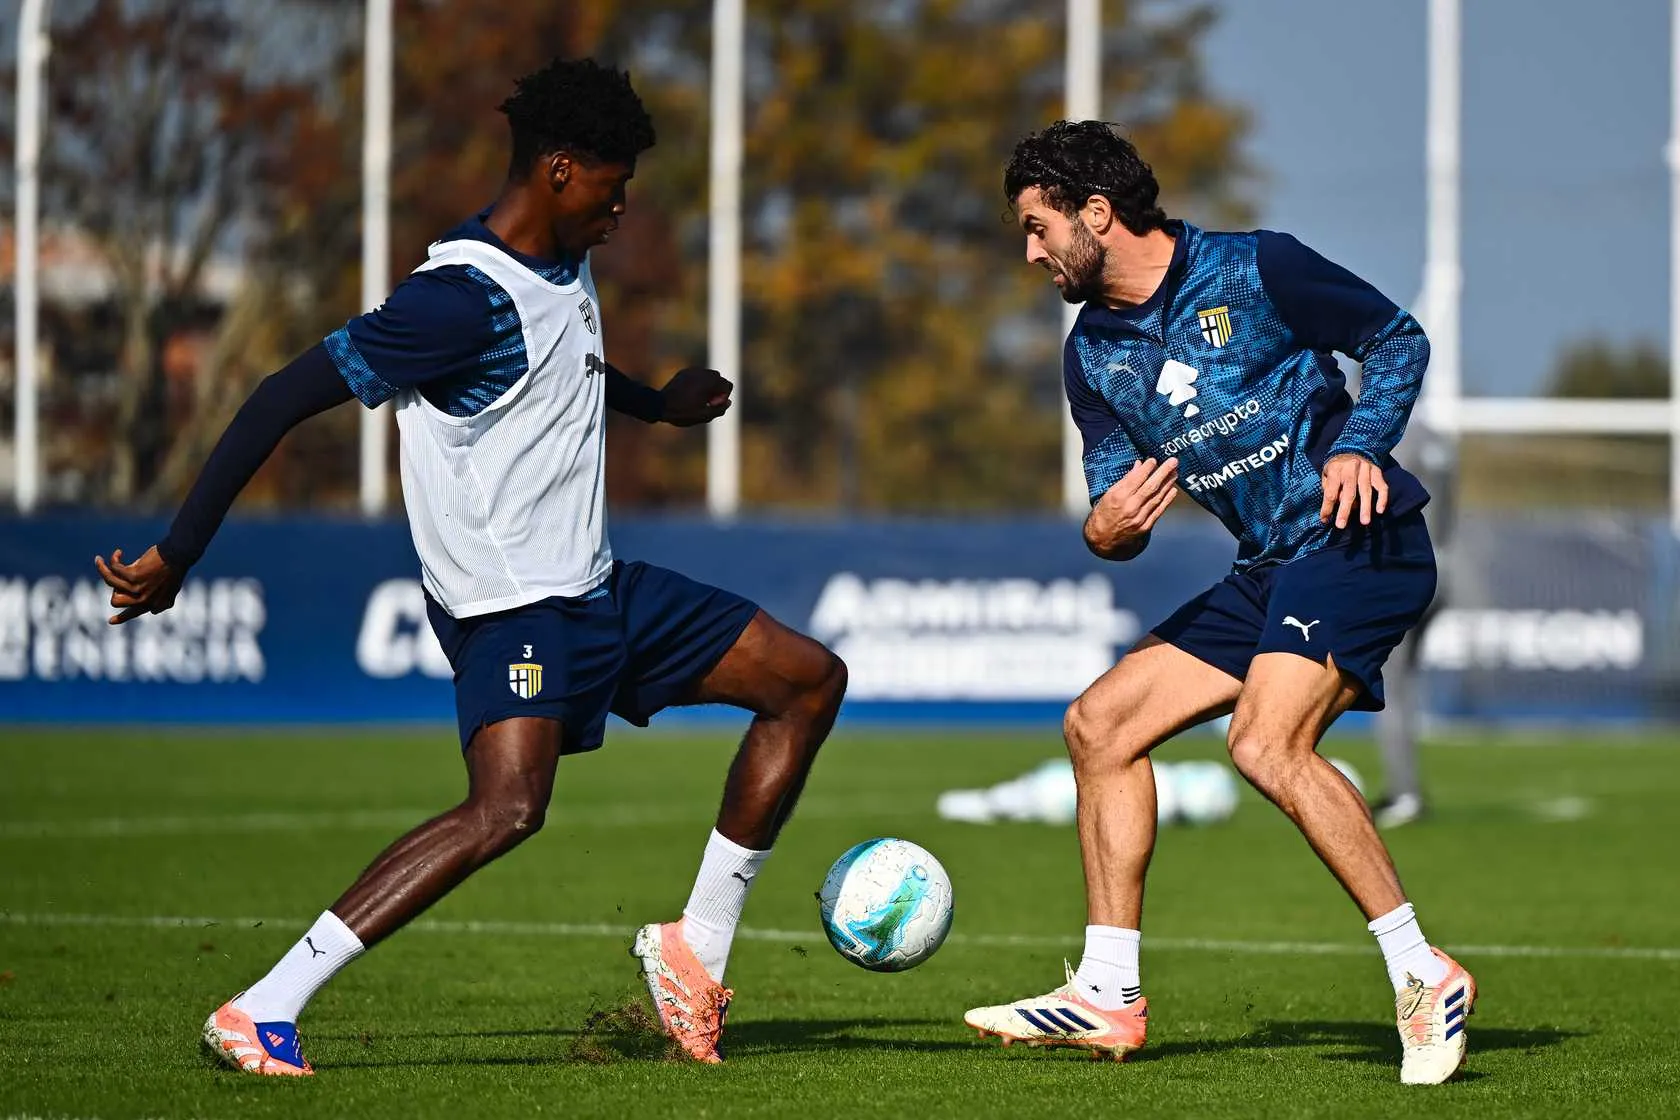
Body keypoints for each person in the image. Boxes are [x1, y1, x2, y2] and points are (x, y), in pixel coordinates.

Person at [94, 57, 846, 1074]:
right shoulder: (453, 301)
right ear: (560, 169)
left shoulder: (562, 261)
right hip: (512, 608)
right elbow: (278, 397)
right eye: (614, 185)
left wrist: (657, 406)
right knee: (508, 809)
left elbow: (564, 365)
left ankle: (694, 952)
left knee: (807, 682)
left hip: (597, 588)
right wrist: (177, 553)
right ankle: (262, 1007)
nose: (622, 207)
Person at [961, 122, 1474, 1085]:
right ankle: (1107, 994)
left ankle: (1423, 972)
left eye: (1037, 228)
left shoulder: (1256, 268)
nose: (1029, 253)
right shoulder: (1092, 356)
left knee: (1264, 744)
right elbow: (1113, 509)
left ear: (1096, 214)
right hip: (1270, 566)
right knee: (1100, 726)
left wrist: (1360, 444)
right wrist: (1106, 529)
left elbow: (1396, 340)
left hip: (1358, 540)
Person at [1371, 406, 1458, 827]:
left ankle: (1404, 794)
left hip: (1404, 566)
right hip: (1443, 564)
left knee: (1391, 684)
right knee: (1405, 682)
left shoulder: (1380, 429)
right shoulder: (1434, 434)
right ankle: (1406, 788)